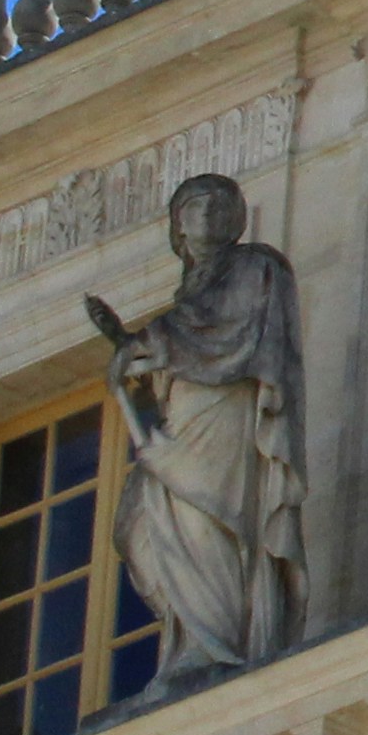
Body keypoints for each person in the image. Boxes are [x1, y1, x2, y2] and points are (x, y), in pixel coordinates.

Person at [84, 172, 308, 687]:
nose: (207, 215)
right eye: (195, 207)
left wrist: (146, 342)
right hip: (183, 416)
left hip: (225, 416)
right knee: (137, 526)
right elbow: (181, 352)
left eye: (218, 206)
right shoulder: (192, 288)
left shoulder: (256, 266)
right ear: (178, 225)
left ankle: (214, 645)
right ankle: (187, 636)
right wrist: (131, 349)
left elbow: (231, 336)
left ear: (236, 220)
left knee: (209, 519)